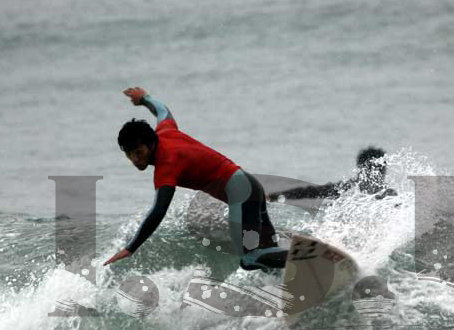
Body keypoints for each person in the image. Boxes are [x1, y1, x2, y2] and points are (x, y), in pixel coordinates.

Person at [104, 87, 286, 271]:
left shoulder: (166, 165)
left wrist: (131, 248)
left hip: (241, 194)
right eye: (129, 154)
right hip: (250, 187)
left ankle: (303, 256)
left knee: (249, 258)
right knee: (269, 258)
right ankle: (296, 267)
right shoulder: (166, 131)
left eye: (139, 152)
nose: (135, 159)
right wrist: (144, 98)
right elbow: (162, 111)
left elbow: (159, 210)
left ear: (150, 144)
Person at [267, 146, 397, 201]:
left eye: (381, 168)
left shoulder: (389, 195)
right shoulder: (347, 188)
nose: (377, 172)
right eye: (372, 168)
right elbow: (311, 192)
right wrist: (278, 196)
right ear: (360, 168)